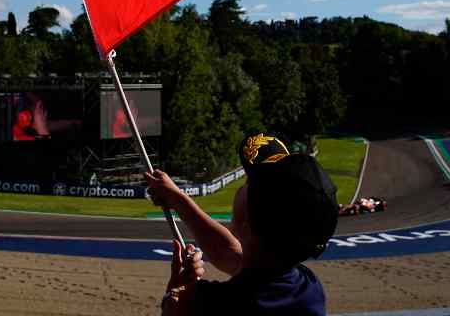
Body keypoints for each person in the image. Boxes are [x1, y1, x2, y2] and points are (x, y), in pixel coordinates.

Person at [145, 132, 339, 315]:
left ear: (247, 227)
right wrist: (178, 200)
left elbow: (180, 306)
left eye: (251, 183)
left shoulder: (207, 304)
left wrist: (176, 292)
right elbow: (229, 253)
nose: (244, 185)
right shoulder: (308, 290)